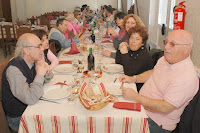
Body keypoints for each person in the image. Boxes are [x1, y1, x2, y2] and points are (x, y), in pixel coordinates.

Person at [119, 30, 199, 132]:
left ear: (187, 49)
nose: (166, 47)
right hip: (142, 107)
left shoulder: (187, 77)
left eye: (172, 44)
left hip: (155, 123)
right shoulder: (166, 59)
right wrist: (133, 78)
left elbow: (164, 107)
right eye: (166, 42)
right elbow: (154, 72)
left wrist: (135, 97)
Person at [1, 33, 53, 132]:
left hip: (30, 108)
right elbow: (30, 98)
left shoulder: (31, 61)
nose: (42, 49)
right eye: (38, 46)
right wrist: (40, 75)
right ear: (26, 50)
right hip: (19, 118)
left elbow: (47, 79)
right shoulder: (14, 70)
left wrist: (45, 69)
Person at [117, 26, 153, 91]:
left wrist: (125, 54)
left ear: (142, 43)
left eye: (137, 39)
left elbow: (129, 73)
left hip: (140, 89)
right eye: (131, 38)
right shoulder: (134, 50)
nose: (133, 41)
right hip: (131, 84)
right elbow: (118, 62)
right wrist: (119, 49)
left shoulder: (143, 55)